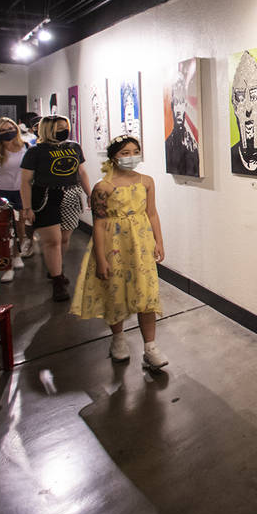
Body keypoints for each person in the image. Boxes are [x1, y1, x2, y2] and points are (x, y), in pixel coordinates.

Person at [71, 136, 169, 371]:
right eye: (125, 152)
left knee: (146, 293)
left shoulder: (147, 181)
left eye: (135, 151)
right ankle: (118, 339)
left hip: (140, 244)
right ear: (114, 156)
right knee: (115, 293)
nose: (131, 156)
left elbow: (152, 212)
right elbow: (99, 223)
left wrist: (159, 241)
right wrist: (102, 257)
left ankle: (150, 347)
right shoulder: (103, 187)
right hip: (115, 245)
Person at [20, 116, 91, 302]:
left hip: (70, 194)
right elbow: (26, 181)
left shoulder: (74, 147)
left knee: (65, 238)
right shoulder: (35, 152)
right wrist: (27, 207)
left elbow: (82, 172)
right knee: (53, 240)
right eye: (59, 127)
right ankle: (58, 281)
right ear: (47, 129)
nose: (63, 130)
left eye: (65, 127)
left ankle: (55, 269)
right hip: (46, 197)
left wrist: (90, 193)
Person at [0, 117, 28, 277]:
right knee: (4, 228)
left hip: (20, 191)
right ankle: (6, 264)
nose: (8, 132)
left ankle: (17, 255)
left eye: (10, 128)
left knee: (20, 225)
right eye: (3, 130)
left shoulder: (25, 146)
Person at [231, 51, 257, 177]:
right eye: (241, 97)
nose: (248, 109)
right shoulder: (232, 153)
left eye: (254, 96)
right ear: (233, 102)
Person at [164, 78, 200, 177]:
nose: (179, 109)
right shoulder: (168, 144)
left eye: (181, 102)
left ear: (185, 105)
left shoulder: (193, 145)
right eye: (176, 103)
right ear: (172, 106)